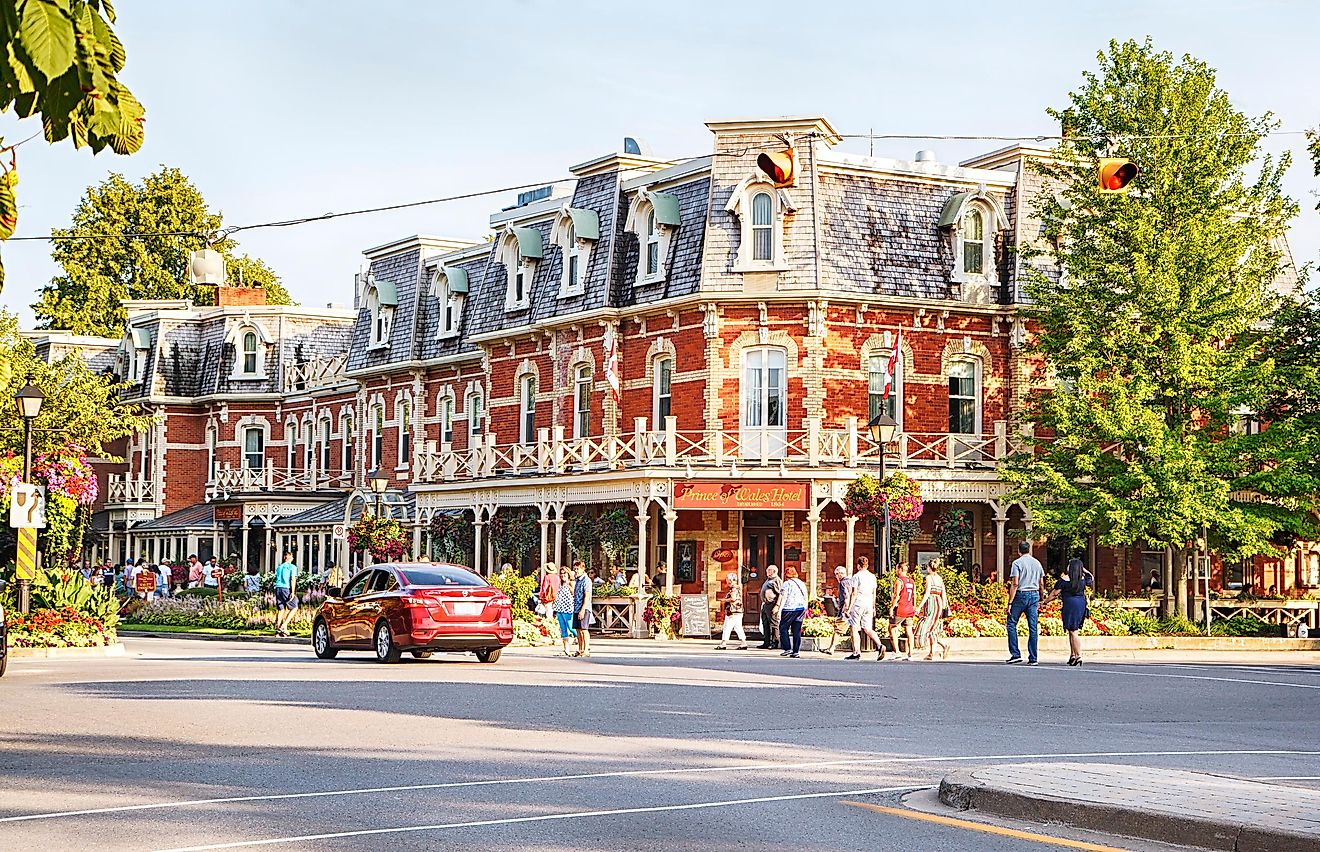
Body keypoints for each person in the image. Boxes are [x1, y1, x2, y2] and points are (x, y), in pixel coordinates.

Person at [1043, 557, 1093, 666]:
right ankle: (1073, 655)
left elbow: (1054, 594)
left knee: (1073, 630)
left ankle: (1078, 655)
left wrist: (1045, 602)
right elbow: (1091, 577)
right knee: (1072, 630)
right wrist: (1083, 569)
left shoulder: (1065, 579)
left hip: (1070, 604)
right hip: (1081, 603)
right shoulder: (1083, 579)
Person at [1006, 540, 1044, 665]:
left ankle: (1015, 654)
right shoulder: (1037, 563)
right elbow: (1041, 583)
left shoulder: (1017, 563)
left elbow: (1015, 583)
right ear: (1029, 550)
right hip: (1034, 594)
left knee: (1011, 623)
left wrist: (1010, 602)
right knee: (1033, 627)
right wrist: (1041, 598)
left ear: (1018, 551)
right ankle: (1033, 657)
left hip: (1021, 594)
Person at [847, 556, 884, 661]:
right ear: (867, 565)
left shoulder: (856, 576)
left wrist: (849, 608)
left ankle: (856, 652)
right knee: (867, 628)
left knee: (854, 627)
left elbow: (854, 593)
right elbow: (874, 593)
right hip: (868, 604)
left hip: (858, 604)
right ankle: (879, 644)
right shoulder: (872, 577)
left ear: (858, 565)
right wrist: (873, 607)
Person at [916, 561, 951, 660]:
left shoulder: (928, 578)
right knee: (934, 628)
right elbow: (943, 593)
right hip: (939, 603)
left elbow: (927, 593)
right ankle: (934, 651)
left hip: (931, 603)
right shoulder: (940, 578)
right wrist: (944, 606)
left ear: (929, 568)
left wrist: (919, 606)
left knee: (927, 627)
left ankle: (938, 648)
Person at [888, 562, 917, 660]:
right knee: (909, 631)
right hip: (909, 608)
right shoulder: (911, 581)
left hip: (900, 608)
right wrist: (914, 606)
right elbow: (914, 595)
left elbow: (896, 595)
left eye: (897, 569)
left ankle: (896, 651)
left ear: (900, 569)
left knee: (892, 628)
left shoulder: (899, 581)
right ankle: (910, 654)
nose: (896, 571)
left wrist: (892, 607)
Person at [820, 566, 852, 655]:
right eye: (836, 574)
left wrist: (846, 609)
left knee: (837, 629)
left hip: (845, 610)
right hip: (854, 609)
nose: (838, 576)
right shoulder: (850, 581)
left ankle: (831, 648)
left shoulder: (843, 583)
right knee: (854, 629)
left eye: (839, 574)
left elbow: (846, 597)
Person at [777, 566, 808, 658]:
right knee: (796, 630)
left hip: (788, 609)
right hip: (800, 608)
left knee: (783, 628)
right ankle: (796, 651)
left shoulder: (786, 584)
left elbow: (784, 597)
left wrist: (779, 610)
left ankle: (787, 648)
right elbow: (806, 596)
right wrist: (805, 608)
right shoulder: (801, 583)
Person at [715, 572, 749, 650]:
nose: (727, 582)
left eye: (727, 580)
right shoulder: (738, 588)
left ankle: (723, 643)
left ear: (730, 580)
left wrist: (724, 600)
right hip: (738, 611)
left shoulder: (734, 589)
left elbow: (733, 599)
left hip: (733, 611)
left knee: (727, 626)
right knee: (738, 627)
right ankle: (743, 643)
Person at [273, 552, 299, 637]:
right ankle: (284, 625)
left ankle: (279, 630)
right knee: (294, 607)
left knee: (281, 609)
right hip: (286, 588)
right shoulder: (292, 567)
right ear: (290, 558)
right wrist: (292, 592)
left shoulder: (279, 567)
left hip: (278, 588)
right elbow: (292, 579)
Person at [552, 566, 576, 655]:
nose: (563, 575)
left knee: (571, 627)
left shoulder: (571, 583)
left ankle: (583, 644)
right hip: (559, 608)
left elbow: (575, 595)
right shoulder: (560, 585)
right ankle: (566, 649)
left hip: (568, 609)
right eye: (561, 574)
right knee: (563, 629)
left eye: (564, 573)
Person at [573, 560, 593, 658]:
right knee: (578, 629)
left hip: (584, 608)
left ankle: (586, 649)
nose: (576, 571)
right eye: (575, 569)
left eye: (578, 569)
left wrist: (583, 609)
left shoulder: (586, 580)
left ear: (582, 569)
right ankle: (580, 649)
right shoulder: (577, 580)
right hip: (576, 607)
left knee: (584, 629)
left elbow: (587, 596)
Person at [759, 565, 781, 649]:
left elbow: (780, 594)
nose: (766, 571)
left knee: (773, 623)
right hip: (765, 604)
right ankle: (766, 642)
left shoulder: (776, 581)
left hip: (772, 603)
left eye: (769, 570)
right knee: (765, 623)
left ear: (774, 571)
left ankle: (774, 642)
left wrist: (777, 605)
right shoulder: (768, 580)